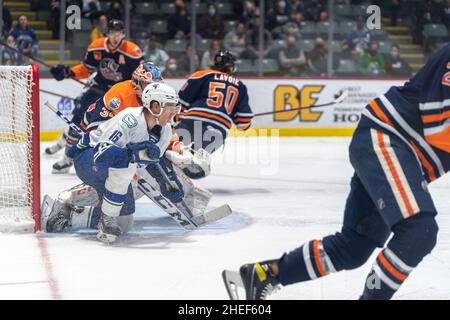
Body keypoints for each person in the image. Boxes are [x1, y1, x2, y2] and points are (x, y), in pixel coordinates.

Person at [223, 43, 450, 300]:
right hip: (388, 138)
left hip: (395, 151)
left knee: (355, 246)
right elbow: (439, 128)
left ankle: (267, 274)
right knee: (419, 231)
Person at [42, 83, 182, 244]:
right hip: (87, 157)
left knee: (125, 221)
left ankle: (68, 214)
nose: (173, 112)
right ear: (155, 106)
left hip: (113, 167)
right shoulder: (129, 119)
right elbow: (102, 154)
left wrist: (166, 181)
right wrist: (133, 154)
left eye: (175, 107)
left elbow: (152, 159)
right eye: (170, 107)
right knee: (126, 167)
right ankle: (106, 220)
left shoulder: (165, 130)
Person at [47, 19, 143, 174]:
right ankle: (67, 160)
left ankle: (127, 161)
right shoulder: (96, 46)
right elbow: (86, 68)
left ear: (123, 34)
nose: (115, 36)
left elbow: (138, 77)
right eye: (112, 32)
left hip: (122, 93)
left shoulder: (132, 51)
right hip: (98, 88)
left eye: (119, 33)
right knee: (77, 121)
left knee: (124, 126)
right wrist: (68, 72)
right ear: (108, 33)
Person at [175, 50, 253, 178]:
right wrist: (240, 122)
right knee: (197, 161)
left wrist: (177, 121)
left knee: (172, 147)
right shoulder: (240, 86)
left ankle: (163, 165)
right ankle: (192, 165)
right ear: (230, 66)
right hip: (217, 129)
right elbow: (243, 123)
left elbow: (181, 102)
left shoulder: (202, 75)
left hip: (192, 120)